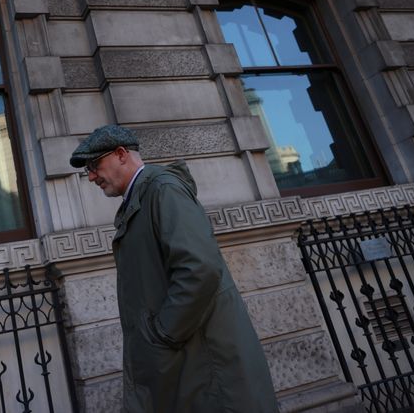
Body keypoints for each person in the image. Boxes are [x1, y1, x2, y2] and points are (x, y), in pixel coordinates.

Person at [70, 124, 278, 413]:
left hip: (203, 364)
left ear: (120, 154)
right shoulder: (144, 195)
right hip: (188, 363)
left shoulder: (162, 189)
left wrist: (163, 335)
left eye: (94, 165)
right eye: (88, 170)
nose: (91, 176)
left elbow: (200, 269)